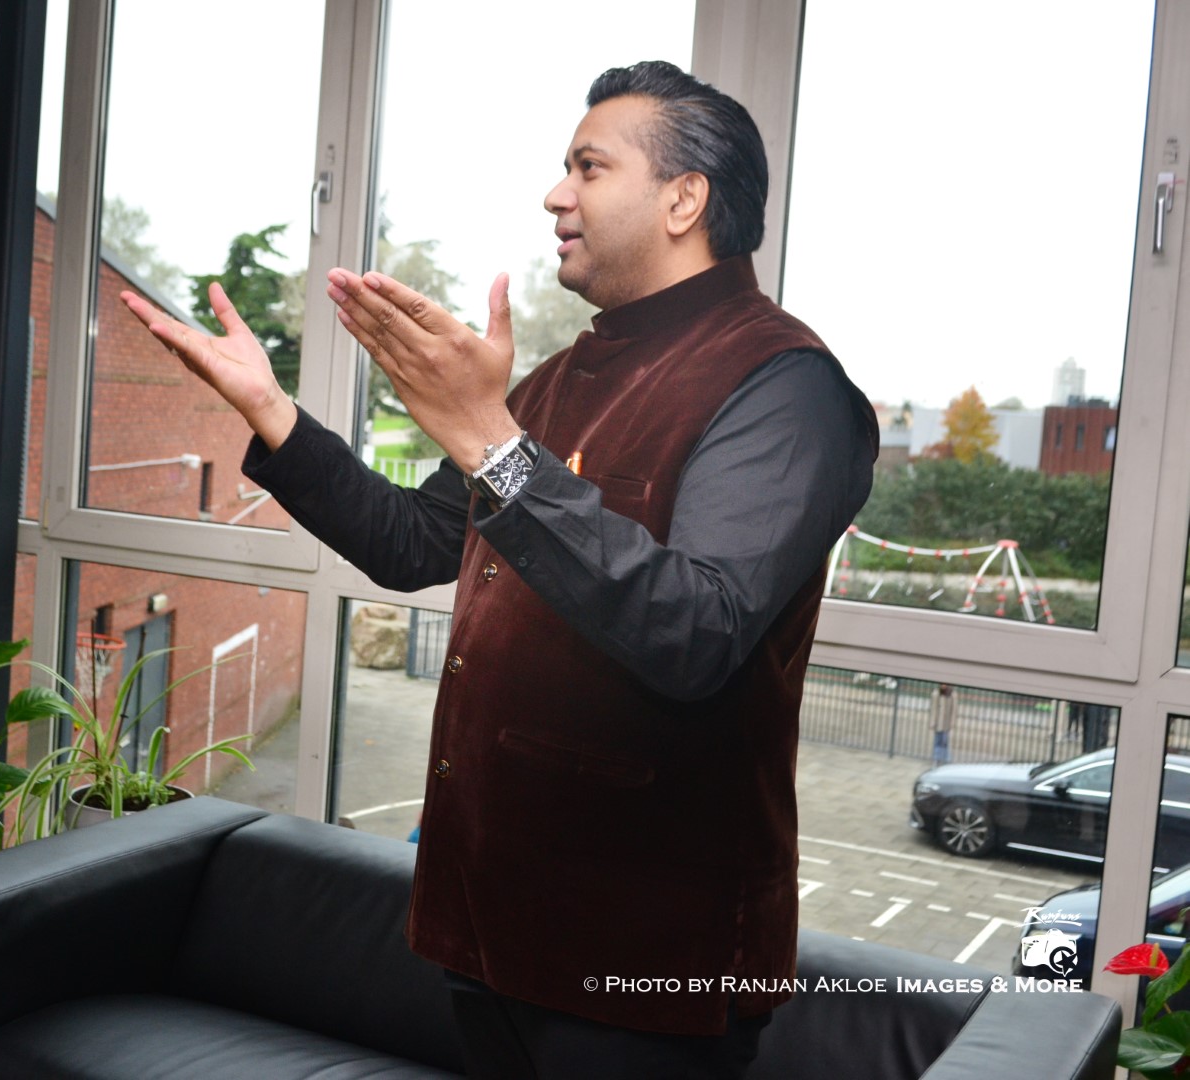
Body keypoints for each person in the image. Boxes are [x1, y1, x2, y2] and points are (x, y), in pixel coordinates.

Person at [123, 60, 876, 1080]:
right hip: (491, 933)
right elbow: (412, 541)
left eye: (588, 167)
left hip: (645, 965)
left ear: (683, 200)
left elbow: (696, 632)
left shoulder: (785, 386)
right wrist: (272, 413)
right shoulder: (560, 380)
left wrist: (493, 440)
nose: (555, 195)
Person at [930, 684, 957, 764]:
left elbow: (954, 710)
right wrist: (933, 722)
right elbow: (934, 709)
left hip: (946, 723)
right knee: (937, 741)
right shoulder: (936, 693)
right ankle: (936, 758)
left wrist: (952, 723)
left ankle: (945, 759)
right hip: (938, 722)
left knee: (945, 741)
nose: (943, 685)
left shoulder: (952, 694)